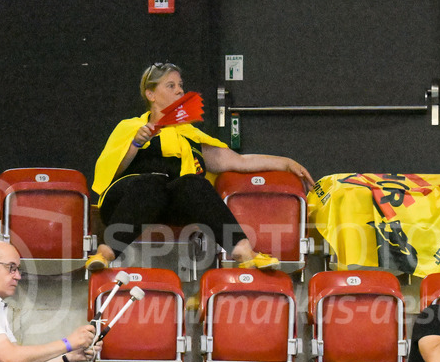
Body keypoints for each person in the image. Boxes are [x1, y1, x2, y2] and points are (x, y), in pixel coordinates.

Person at [87, 62, 315, 271]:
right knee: (151, 181)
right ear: (151, 94)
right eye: (170, 85)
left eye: (180, 85)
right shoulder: (130, 127)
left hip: (170, 205)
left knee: (194, 182)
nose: (179, 91)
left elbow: (239, 161)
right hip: (128, 201)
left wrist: (286, 163)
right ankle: (105, 253)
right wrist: (136, 144)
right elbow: (110, 172)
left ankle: (243, 251)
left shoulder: (191, 135)